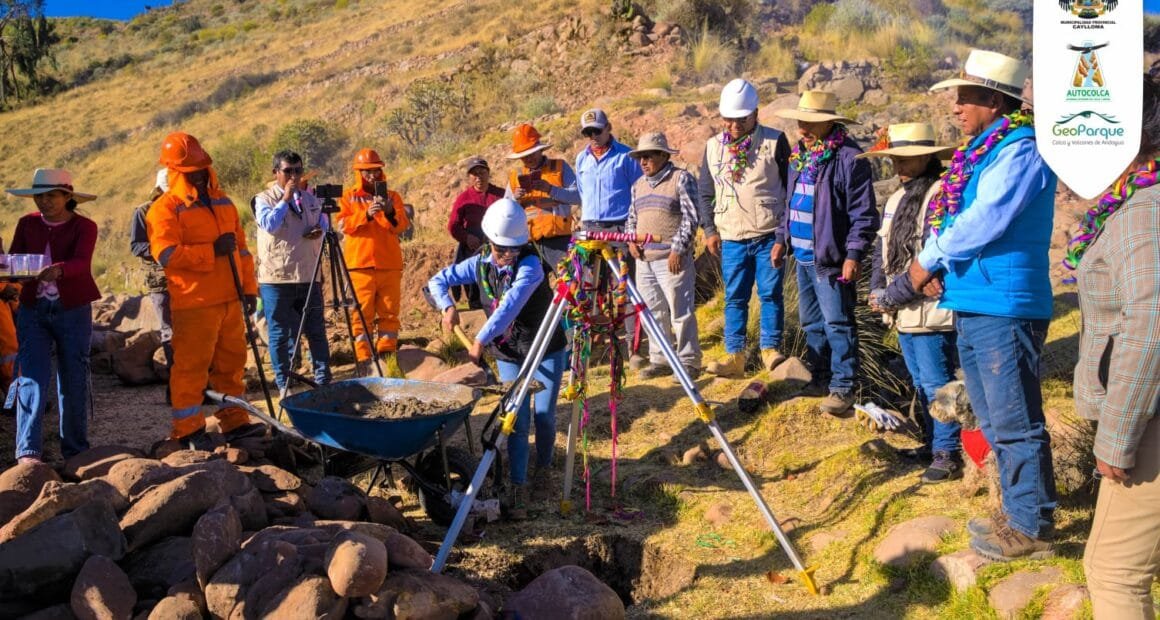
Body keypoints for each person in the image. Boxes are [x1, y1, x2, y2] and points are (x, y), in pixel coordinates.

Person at [910, 50, 1058, 561]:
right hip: (978, 298)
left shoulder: (1021, 151)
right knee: (994, 417)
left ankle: (1031, 527)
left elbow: (984, 220)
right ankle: (1020, 514)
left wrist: (927, 261)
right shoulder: (985, 152)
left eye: (965, 97)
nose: (955, 107)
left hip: (1005, 302)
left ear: (995, 101)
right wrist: (943, 270)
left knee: (1014, 419)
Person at [1072, 73, 1160, 618]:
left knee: (1115, 574)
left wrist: (1117, 436)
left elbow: (1151, 324)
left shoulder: (1145, 214)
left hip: (1151, 424)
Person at [427, 198, 568, 520]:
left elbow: (507, 309)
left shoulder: (531, 266)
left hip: (544, 346)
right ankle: (517, 486)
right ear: (490, 242)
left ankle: (544, 468)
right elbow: (438, 281)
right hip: (508, 352)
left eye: (513, 249)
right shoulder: (477, 263)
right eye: (501, 249)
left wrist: (478, 342)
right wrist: (447, 306)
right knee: (516, 420)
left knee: (544, 414)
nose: (507, 256)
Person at [863, 123, 963, 483]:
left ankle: (948, 452)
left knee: (938, 381)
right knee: (920, 381)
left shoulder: (940, 194)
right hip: (903, 308)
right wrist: (878, 289)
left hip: (930, 308)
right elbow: (882, 249)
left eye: (909, 159)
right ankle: (931, 441)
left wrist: (891, 295)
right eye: (895, 159)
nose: (899, 167)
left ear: (929, 158)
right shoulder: (895, 199)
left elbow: (938, 253)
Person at [147, 132, 259, 449]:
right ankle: (188, 429)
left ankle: (236, 423)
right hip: (194, 302)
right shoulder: (164, 208)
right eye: (188, 170)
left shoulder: (223, 202)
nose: (196, 174)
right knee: (191, 369)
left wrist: (249, 289)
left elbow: (243, 250)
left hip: (230, 298)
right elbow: (166, 253)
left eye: (200, 167)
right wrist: (210, 251)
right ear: (173, 171)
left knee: (232, 365)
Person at [772, 90, 879, 413]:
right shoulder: (800, 154)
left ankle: (844, 385)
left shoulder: (849, 158)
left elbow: (863, 214)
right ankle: (819, 377)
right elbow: (789, 203)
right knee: (811, 322)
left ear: (830, 123)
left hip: (830, 259)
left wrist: (854, 254)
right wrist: (781, 238)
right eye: (802, 121)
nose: (803, 128)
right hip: (803, 256)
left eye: (811, 123)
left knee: (838, 322)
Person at [5, 168, 101, 463]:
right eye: (39, 196)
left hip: (73, 309)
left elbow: (81, 263)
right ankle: (28, 452)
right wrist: (14, 276)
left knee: (73, 377)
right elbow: (14, 259)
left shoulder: (85, 226)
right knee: (32, 376)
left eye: (51, 196)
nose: (44, 202)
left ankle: (74, 451)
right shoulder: (26, 224)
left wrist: (58, 270)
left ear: (67, 197)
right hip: (32, 308)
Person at [699, 79, 792, 379]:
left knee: (770, 294)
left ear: (755, 113)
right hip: (731, 238)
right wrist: (709, 230)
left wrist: (783, 236)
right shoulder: (712, 148)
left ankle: (770, 350)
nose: (734, 125)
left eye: (741, 119)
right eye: (728, 119)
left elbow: (791, 190)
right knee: (735, 297)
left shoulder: (776, 142)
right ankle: (735, 356)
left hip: (768, 235)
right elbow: (704, 192)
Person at [253, 150, 331, 392]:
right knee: (279, 333)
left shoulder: (309, 198)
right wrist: (285, 200)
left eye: (298, 170)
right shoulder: (263, 199)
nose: (294, 176)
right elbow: (269, 224)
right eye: (288, 171)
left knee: (316, 330)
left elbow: (325, 223)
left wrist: (320, 228)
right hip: (277, 278)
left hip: (308, 275)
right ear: (276, 172)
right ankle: (283, 382)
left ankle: (324, 380)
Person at [624, 132, 701, 379]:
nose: (643, 162)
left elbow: (691, 216)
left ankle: (689, 360)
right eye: (640, 157)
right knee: (652, 311)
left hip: (671, 258)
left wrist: (678, 248)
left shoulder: (681, 179)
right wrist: (631, 240)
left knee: (680, 310)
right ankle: (661, 358)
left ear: (662, 155)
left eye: (647, 156)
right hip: (644, 260)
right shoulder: (638, 185)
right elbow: (631, 218)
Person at [337, 148, 410, 365]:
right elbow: (343, 225)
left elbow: (401, 227)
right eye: (367, 171)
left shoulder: (393, 197)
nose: (372, 176)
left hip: (389, 264)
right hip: (360, 267)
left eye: (376, 171)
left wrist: (387, 212)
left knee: (389, 314)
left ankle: (387, 356)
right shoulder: (349, 196)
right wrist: (366, 214)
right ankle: (364, 359)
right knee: (361, 316)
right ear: (359, 173)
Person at [506, 123, 579, 272]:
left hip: (558, 240)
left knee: (571, 283)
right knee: (536, 292)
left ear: (539, 150)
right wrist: (515, 200)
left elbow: (579, 196)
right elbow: (505, 211)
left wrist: (551, 189)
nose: (528, 158)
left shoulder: (559, 167)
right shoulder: (515, 176)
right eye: (524, 156)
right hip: (527, 244)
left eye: (531, 153)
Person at [129, 169, 174, 386]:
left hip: (187, 279)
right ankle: (176, 382)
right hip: (160, 281)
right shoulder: (143, 212)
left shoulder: (184, 209)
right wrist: (162, 250)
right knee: (170, 331)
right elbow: (136, 246)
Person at [448, 155, 503, 309]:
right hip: (472, 245)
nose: (479, 177)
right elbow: (453, 226)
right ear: (469, 177)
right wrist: (466, 238)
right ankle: (475, 306)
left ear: (488, 173)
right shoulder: (463, 198)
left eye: (482, 172)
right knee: (473, 279)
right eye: (475, 174)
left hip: (496, 244)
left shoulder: (500, 194)